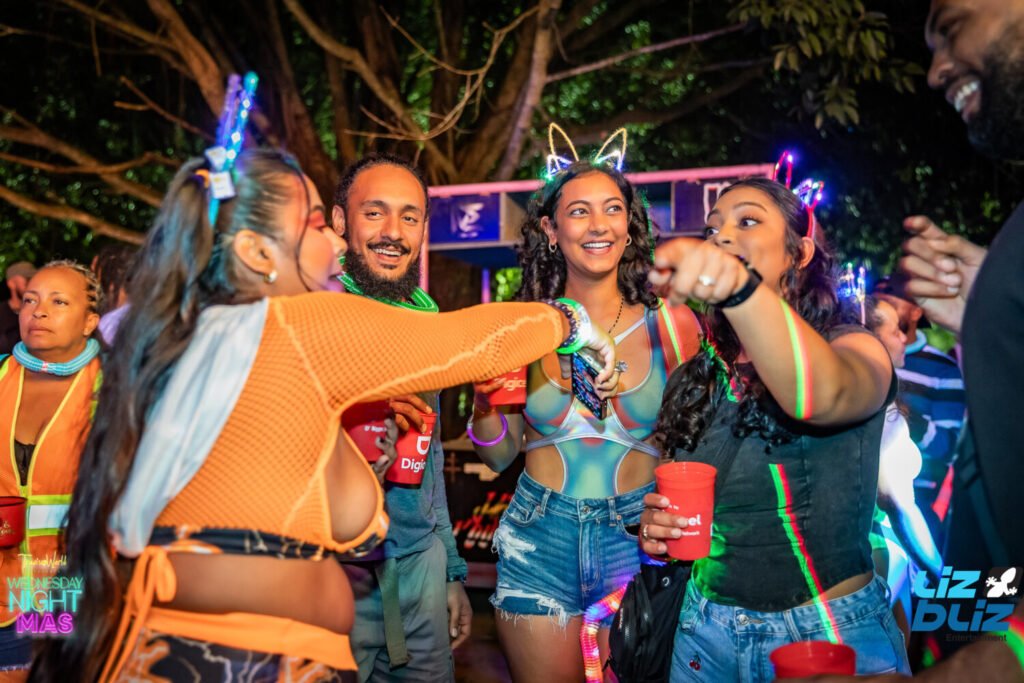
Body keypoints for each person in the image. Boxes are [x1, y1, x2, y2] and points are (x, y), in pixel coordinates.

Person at [28, 148, 618, 683]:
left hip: (171, 646)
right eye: (314, 225)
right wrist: (575, 323)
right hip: (239, 659)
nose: (336, 243)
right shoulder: (293, 325)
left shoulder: (175, 337)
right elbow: (471, 343)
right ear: (258, 252)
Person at [800, 1, 1024, 680]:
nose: (935, 70)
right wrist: (990, 308)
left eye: (952, 26)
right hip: (972, 588)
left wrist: (1004, 651)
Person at [641, 176, 910, 680]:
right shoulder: (699, 374)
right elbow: (683, 493)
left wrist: (737, 286)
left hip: (824, 634)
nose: (722, 235)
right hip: (704, 633)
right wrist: (657, 527)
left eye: (747, 220)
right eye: (712, 228)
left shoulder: (854, 347)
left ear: (799, 253)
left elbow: (818, 395)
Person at [469, 156, 700, 681]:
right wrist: (483, 404)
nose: (599, 225)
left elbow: (695, 442)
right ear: (551, 230)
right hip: (539, 538)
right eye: (579, 211)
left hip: (639, 540)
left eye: (612, 209)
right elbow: (499, 456)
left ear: (629, 227)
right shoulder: (524, 327)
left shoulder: (673, 325)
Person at [331, 154, 472, 682]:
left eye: (409, 217)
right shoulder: (313, 315)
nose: (393, 232)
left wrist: (450, 569)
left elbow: (428, 462)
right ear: (340, 221)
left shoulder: (425, 323)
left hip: (419, 572)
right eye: (375, 213)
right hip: (331, 574)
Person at [0, 261, 101, 674]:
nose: (39, 312)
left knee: (35, 673)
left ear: (90, 321)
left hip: (63, 589)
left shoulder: (110, 390)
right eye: (30, 300)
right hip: (1, 586)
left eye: (58, 302)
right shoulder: (1, 375)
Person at [858, 295, 943, 639]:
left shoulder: (860, 397)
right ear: (872, 339)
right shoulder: (880, 408)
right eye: (895, 330)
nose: (904, 338)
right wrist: (940, 572)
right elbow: (900, 504)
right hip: (881, 555)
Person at [873, 278, 965, 545]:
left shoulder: (942, 369)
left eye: (892, 296)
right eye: (878, 297)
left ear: (916, 311)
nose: (883, 300)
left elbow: (947, 448)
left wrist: (897, 410)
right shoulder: (860, 362)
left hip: (917, 499)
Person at [0, 262, 37, 356]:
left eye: (34, 279)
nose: (31, 284)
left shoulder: (39, 311)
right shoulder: (2, 313)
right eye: (27, 279)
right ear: (11, 284)